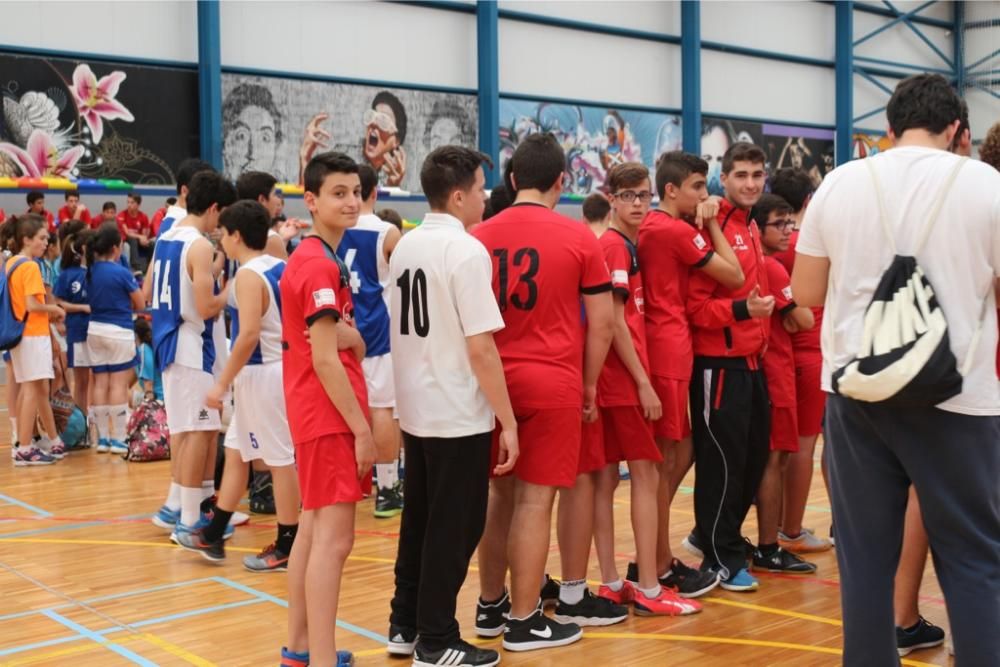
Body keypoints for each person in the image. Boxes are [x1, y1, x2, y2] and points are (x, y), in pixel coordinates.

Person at [791, 73, 1000, 665]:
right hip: (959, 398)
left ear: (889, 126)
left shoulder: (839, 183)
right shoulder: (987, 185)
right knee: (974, 559)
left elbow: (805, 291)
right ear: (958, 129)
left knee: (864, 562)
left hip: (857, 394)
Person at [471, 133, 614, 651]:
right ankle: (525, 619)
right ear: (563, 180)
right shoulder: (580, 239)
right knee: (536, 502)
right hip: (552, 380)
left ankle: (490, 606)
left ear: (511, 181)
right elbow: (601, 324)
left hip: (489, 383)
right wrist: (591, 382)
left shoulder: (478, 235)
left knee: (497, 494)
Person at [386, 145, 518, 667]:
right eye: (482, 188)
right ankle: (437, 640)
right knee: (455, 525)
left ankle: (405, 624)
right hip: (455, 408)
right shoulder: (466, 251)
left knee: (419, 518)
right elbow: (481, 346)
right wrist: (506, 419)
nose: (486, 197)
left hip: (416, 404)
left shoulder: (407, 246)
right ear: (459, 196)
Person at [590, 162, 703, 616]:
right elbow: (613, 322)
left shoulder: (622, 244)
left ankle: (613, 580)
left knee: (605, 480)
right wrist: (642, 382)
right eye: (629, 196)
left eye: (644, 195)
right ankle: (650, 587)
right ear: (611, 199)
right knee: (644, 476)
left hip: (615, 381)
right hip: (622, 382)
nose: (638, 203)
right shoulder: (616, 247)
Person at [633, 151, 744, 600]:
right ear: (673, 190)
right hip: (668, 349)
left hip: (670, 347)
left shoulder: (663, 228)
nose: (707, 195)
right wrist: (714, 224)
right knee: (661, 464)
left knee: (677, 454)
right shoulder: (672, 229)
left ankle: (656, 556)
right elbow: (734, 276)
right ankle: (657, 564)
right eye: (699, 187)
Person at [278, 151, 375, 667]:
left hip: (314, 414)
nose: (351, 201)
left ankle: (299, 649)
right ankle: (319, 657)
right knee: (333, 544)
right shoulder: (317, 260)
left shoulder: (315, 256)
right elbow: (321, 356)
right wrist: (361, 428)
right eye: (339, 193)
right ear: (311, 200)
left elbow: (321, 333)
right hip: (328, 417)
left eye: (356, 191)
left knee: (313, 533)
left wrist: (351, 336)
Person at [176, 200, 302, 573]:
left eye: (223, 237)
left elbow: (247, 336)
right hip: (269, 373)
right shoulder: (279, 265)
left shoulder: (249, 277)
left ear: (235, 235)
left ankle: (287, 543)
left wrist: (222, 383)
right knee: (236, 454)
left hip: (263, 374)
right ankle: (213, 533)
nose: (220, 243)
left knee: (280, 463)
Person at [684, 142, 774, 592]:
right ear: (724, 177)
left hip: (751, 363)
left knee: (754, 459)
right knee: (723, 463)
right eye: (741, 175)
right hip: (717, 367)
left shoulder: (749, 226)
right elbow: (696, 309)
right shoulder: (709, 223)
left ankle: (715, 536)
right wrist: (743, 312)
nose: (751, 183)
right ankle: (721, 557)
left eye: (757, 174)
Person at [149, 171, 236, 538]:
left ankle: (180, 511)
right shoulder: (198, 245)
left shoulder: (167, 236)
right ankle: (187, 520)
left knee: (186, 431)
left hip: (168, 341)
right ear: (214, 208)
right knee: (197, 433)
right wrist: (232, 290)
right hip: (190, 344)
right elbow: (205, 306)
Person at [748, 194, 817, 574]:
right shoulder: (772, 268)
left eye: (790, 222)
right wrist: (796, 314)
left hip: (772, 369)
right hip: (776, 371)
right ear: (758, 227)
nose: (789, 231)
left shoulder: (759, 264)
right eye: (780, 224)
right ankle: (769, 545)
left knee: (772, 458)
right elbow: (802, 320)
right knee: (775, 459)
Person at [767, 168, 833, 554]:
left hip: (785, 352)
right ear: (809, 200)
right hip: (810, 352)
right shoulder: (807, 242)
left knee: (780, 449)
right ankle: (791, 528)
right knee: (804, 447)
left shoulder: (777, 244)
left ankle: (776, 525)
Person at [335, 164, 404, 518]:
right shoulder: (386, 233)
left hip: (340, 328)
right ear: (374, 192)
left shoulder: (331, 229)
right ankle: (388, 488)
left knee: (345, 407)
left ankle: (352, 482)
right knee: (383, 409)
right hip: (377, 332)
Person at [5, 215, 66, 465]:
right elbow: (32, 304)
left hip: (21, 335)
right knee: (32, 389)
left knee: (33, 389)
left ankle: (39, 441)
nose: (46, 242)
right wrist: (56, 310)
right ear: (26, 239)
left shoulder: (10, 263)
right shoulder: (30, 266)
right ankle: (25, 447)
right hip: (32, 333)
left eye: (47, 238)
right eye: (41, 238)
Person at [84, 223, 144, 454]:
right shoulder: (121, 272)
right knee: (118, 384)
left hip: (95, 329)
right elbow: (140, 303)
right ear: (115, 248)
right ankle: (119, 439)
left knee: (100, 383)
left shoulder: (90, 270)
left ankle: (102, 439)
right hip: (118, 330)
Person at [53, 228, 93, 415]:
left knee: (96, 380)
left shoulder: (96, 271)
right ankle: (81, 424)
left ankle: (94, 423)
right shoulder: (68, 274)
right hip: (77, 331)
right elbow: (58, 302)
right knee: (82, 381)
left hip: (96, 331)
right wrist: (82, 308)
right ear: (83, 248)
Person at [236, 171, 288, 259]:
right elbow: (285, 272)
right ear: (262, 199)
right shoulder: (270, 238)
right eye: (275, 194)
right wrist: (283, 239)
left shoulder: (233, 233)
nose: (279, 200)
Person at [117, 193, 152, 271]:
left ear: (138, 204)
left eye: (132, 202)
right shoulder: (122, 215)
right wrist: (140, 237)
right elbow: (127, 233)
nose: (129, 205)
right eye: (128, 202)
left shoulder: (143, 216)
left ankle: (150, 269)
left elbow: (144, 234)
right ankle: (136, 268)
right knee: (132, 240)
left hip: (138, 240)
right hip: (126, 239)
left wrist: (144, 239)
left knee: (152, 244)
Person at [134, 318, 162, 401]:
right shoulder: (149, 347)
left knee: (124, 394)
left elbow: (148, 384)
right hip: (161, 397)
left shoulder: (143, 350)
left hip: (157, 399)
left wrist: (150, 409)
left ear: (135, 334)